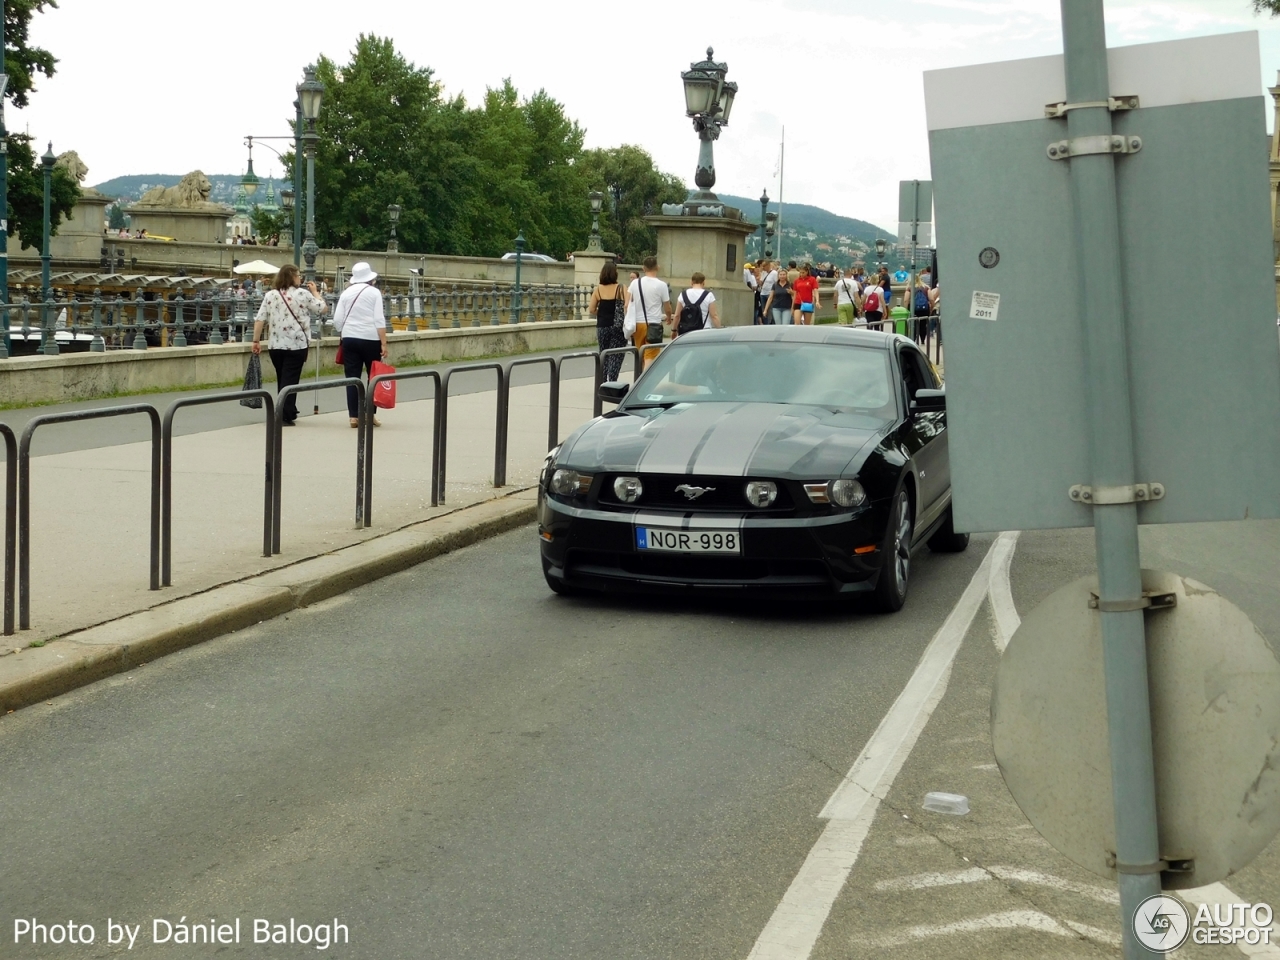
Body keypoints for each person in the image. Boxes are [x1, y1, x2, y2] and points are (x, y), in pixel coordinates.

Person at [251, 264, 327, 426]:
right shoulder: (302, 294)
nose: (300, 278)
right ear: (292, 276)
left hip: (275, 345)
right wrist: (315, 292)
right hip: (296, 344)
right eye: (298, 275)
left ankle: (285, 410)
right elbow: (322, 308)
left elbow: (260, 319)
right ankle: (285, 413)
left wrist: (256, 341)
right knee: (290, 379)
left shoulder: (271, 295)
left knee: (282, 377)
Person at [332, 261, 388, 428]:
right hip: (371, 338)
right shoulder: (374, 293)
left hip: (350, 338)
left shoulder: (346, 293)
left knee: (352, 377)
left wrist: (346, 330)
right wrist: (383, 342)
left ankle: (354, 416)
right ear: (370, 278)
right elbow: (379, 319)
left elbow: (337, 320)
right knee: (373, 377)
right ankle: (370, 414)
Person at [623, 257, 672, 369]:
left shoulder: (635, 283)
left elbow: (626, 304)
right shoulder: (662, 285)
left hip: (637, 324)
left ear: (643, 268)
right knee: (650, 357)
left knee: (640, 356)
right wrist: (669, 317)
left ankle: (639, 379)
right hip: (654, 324)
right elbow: (667, 307)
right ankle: (645, 383)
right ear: (657, 267)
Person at [588, 260, 629, 381]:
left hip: (602, 326)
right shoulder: (621, 288)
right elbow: (628, 305)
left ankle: (602, 381)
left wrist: (600, 313)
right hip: (618, 326)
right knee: (616, 355)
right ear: (614, 274)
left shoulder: (598, 290)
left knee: (604, 354)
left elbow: (591, 309)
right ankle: (613, 381)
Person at [675, 272, 720, 336]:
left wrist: (673, 330)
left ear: (691, 282)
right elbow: (714, 316)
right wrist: (720, 330)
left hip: (686, 332)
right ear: (703, 282)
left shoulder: (683, 295)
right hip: (704, 331)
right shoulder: (708, 295)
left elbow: (677, 315)